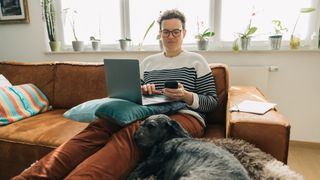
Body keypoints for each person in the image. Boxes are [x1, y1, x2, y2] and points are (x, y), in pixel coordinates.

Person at [14, 9, 217, 179]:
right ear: (160, 33)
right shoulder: (148, 62)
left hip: (184, 116)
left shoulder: (196, 61)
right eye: (166, 32)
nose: (170, 37)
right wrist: (142, 90)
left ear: (184, 33)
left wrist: (185, 95)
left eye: (176, 32)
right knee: (100, 126)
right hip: (147, 108)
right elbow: (135, 93)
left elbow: (211, 102)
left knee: (132, 135)